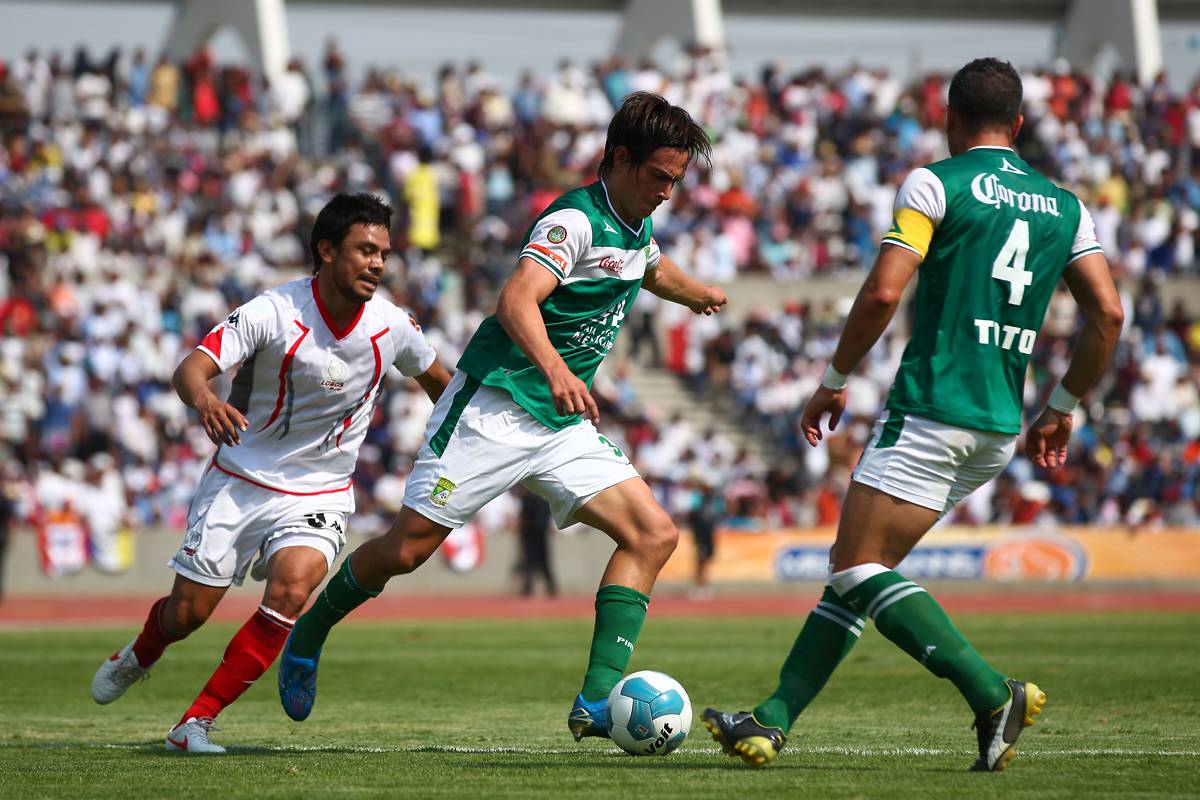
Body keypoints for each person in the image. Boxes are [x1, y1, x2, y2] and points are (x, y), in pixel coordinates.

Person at [702, 58, 1124, 772]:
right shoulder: (1067, 206)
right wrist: (1064, 407)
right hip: (998, 424)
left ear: (949, 119)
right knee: (858, 572)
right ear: (1018, 124)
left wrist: (834, 379)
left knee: (856, 567)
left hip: (932, 407)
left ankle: (993, 692)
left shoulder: (936, 182)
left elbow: (879, 294)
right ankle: (770, 721)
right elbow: (1108, 313)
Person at [278, 92, 727, 742]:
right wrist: (557, 370)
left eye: (676, 180)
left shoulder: (638, 226)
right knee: (406, 550)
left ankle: (596, 702)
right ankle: (310, 632)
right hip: (494, 406)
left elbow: (650, 268)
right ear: (621, 159)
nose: (667, 191)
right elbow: (516, 299)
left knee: (653, 535)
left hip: (558, 424)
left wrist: (699, 295)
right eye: (659, 176)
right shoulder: (572, 220)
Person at [90, 193, 453, 753]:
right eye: (365, 249)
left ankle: (195, 723)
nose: (378, 263)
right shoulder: (273, 311)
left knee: (292, 589)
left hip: (322, 489)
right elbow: (191, 369)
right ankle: (141, 653)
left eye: (383, 252)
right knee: (187, 614)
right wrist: (206, 401)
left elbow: (441, 387)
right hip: (241, 477)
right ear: (326, 250)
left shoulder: (392, 326)